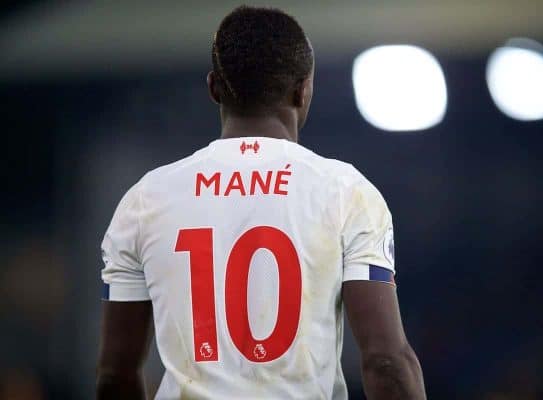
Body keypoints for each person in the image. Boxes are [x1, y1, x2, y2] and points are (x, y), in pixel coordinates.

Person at [96, 6, 426, 400]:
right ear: (303, 89)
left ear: (214, 88)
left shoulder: (145, 200)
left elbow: (115, 374)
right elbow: (386, 363)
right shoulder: (346, 192)